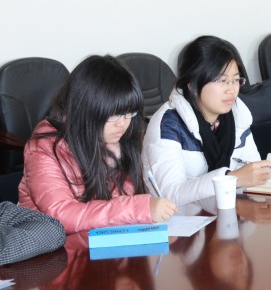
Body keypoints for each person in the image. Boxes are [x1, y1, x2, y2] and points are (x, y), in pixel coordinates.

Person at [18, 56, 176, 234]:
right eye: (114, 114)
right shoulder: (44, 149)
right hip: (53, 247)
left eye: (129, 113)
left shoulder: (120, 140)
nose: (123, 123)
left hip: (105, 243)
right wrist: (138, 208)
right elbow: (61, 216)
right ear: (86, 108)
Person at [144, 36, 271, 205]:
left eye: (235, 80)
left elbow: (252, 170)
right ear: (192, 84)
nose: (232, 90)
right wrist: (232, 178)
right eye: (222, 80)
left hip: (227, 209)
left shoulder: (238, 115)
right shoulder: (167, 125)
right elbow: (170, 194)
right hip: (182, 217)